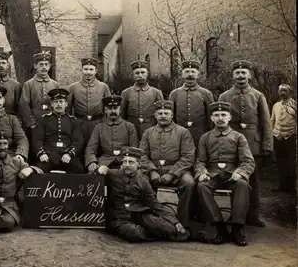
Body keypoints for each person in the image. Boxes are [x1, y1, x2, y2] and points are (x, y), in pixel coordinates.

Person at [219, 60, 272, 227]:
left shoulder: (258, 95)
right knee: (233, 179)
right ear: (232, 75)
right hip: (231, 143)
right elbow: (219, 122)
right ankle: (235, 215)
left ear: (249, 75)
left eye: (243, 73)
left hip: (252, 144)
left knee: (253, 181)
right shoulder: (225, 96)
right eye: (237, 73)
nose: (240, 76)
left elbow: (266, 122)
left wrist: (266, 144)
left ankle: (253, 216)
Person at [195, 102, 255, 246]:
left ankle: (237, 228)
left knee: (242, 185)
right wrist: (202, 172)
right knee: (202, 186)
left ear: (229, 117)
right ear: (211, 118)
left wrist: (240, 172)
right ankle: (220, 227)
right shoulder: (206, 137)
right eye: (216, 115)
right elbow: (200, 161)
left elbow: (248, 161)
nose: (220, 118)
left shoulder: (238, 137)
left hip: (232, 175)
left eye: (223, 115)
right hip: (214, 175)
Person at [100, 146, 190, 242]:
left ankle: (172, 233)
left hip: (138, 215)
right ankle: (150, 234)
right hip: (118, 218)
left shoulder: (143, 181)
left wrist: (175, 222)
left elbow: (155, 205)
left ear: (138, 164)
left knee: (170, 229)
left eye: (131, 162)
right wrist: (99, 170)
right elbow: (92, 181)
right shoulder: (112, 175)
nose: (126, 165)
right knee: (134, 232)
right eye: (124, 161)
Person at [139, 100, 196, 234]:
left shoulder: (183, 132)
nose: (163, 116)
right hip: (153, 169)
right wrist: (152, 170)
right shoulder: (148, 132)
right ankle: (150, 219)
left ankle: (184, 222)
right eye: (160, 113)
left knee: (189, 183)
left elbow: (188, 157)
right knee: (141, 181)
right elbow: (142, 155)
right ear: (155, 115)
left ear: (172, 115)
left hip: (177, 169)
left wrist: (172, 173)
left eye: (166, 113)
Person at [32, 88, 85, 173]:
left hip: (67, 154)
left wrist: (69, 154)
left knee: (79, 170)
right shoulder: (44, 120)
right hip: (49, 154)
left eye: (61, 102)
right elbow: (37, 140)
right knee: (38, 170)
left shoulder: (73, 121)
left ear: (66, 104)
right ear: (52, 104)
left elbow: (78, 141)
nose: (58, 104)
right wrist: (42, 153)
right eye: (56, 102)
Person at [85, 95, 139, 173]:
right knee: (93, 175)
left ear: (120, 110)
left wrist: (127, 163)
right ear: (105, 110)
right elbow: (91, 148)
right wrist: (92, 161)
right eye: (110, 109)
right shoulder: (99, 127)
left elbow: (134, 149)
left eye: (115, 108)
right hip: (104, 162)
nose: (113, 111)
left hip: (124, 161)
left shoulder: (129, 126)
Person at [169, 60, 214, 146]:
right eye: (187, 72)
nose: (190, 74)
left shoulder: (206, 93)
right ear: (182, 74)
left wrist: (209, 136)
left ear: (198, 75)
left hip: (201, 134)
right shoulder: (174, 94)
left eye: (193, 72)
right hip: (180, 135)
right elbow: (171, 117)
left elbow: (211, 118)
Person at [18, 51, 59, 144]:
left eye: (46, 64)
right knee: (35, 145)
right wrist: (31, 122)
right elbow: (23, 105)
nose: (44, 67)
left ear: (49, 66)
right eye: (41, 64)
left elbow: (58, 103)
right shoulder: (29, 84)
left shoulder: (55, 84)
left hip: (50, 120)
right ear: (35, 66)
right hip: (35, 120)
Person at [67, 57, 111, 142]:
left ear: (96, 71)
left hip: (98, 123)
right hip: (79, 123)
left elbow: (108, 108)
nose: (88, 72)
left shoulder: (103, 87)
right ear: (82, 70)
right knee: (79, 147)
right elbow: (68, 108)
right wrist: (72, 124)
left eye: (91, 69)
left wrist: (105, 124)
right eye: (86, 69)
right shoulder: (73, 87)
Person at [121, 60, 164, 140]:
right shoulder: (126, 93)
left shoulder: (156, 92)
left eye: (143, 72)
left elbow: (161, 115)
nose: (140, 75)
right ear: (133, 75)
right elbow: (122, 115)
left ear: (147, 74)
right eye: (137, 73)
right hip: (132, 129)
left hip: (151, 129)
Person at [270, 84, 296, 193]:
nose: (282, 93)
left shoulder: (294, 105)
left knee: (291, 162)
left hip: (290, 137)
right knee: (279, 162)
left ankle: (291, 187)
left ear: (289, 92)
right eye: (280, 90)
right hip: (277, 137)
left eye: (285, 90)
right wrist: (271, 133)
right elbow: (272, 120)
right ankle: (282, 186)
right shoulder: (276, 105)